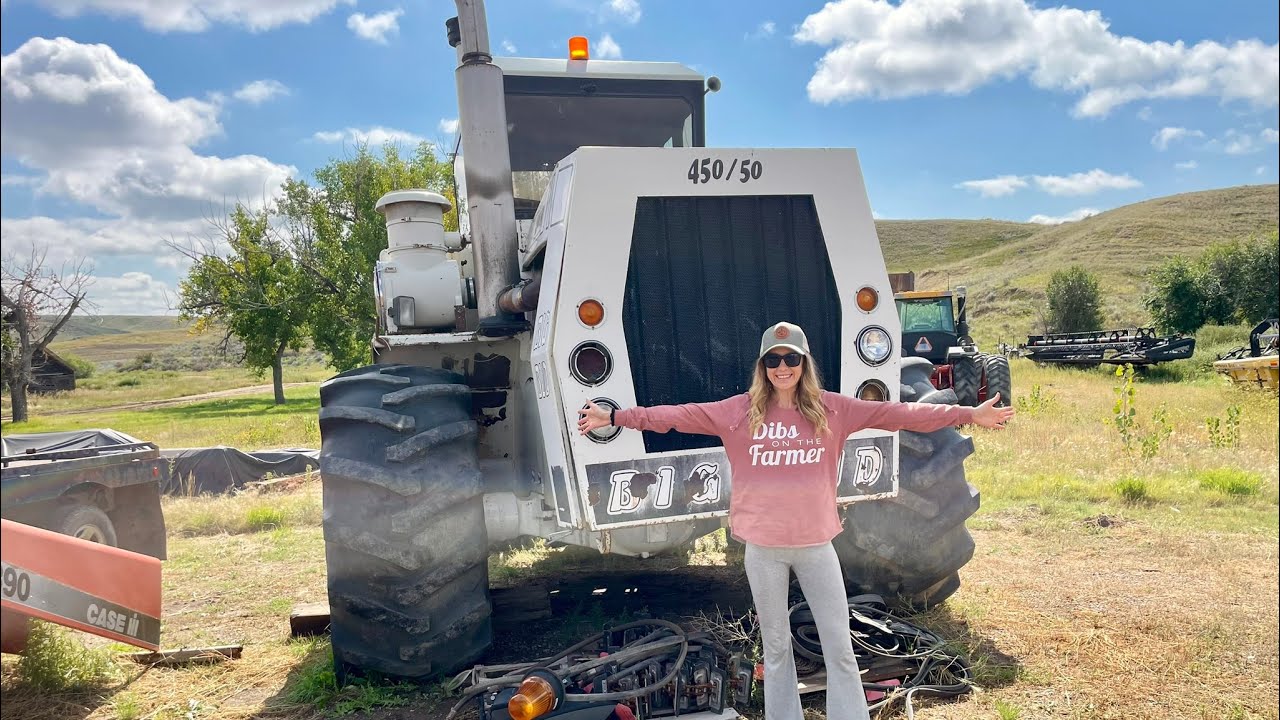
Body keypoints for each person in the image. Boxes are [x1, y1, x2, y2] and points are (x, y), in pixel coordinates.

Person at [578, 321, 1014, 720]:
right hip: (763, 551)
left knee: (839, 647)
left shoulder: (832, 409)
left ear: (804, 363)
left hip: (816, 548)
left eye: (791, 358)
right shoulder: (737, 411)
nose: (782, 367)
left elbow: (900, 414)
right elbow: (673, 416)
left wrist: (967, 414)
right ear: (763, 366)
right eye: (773, 359)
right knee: (776, 648)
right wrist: (613, 417)